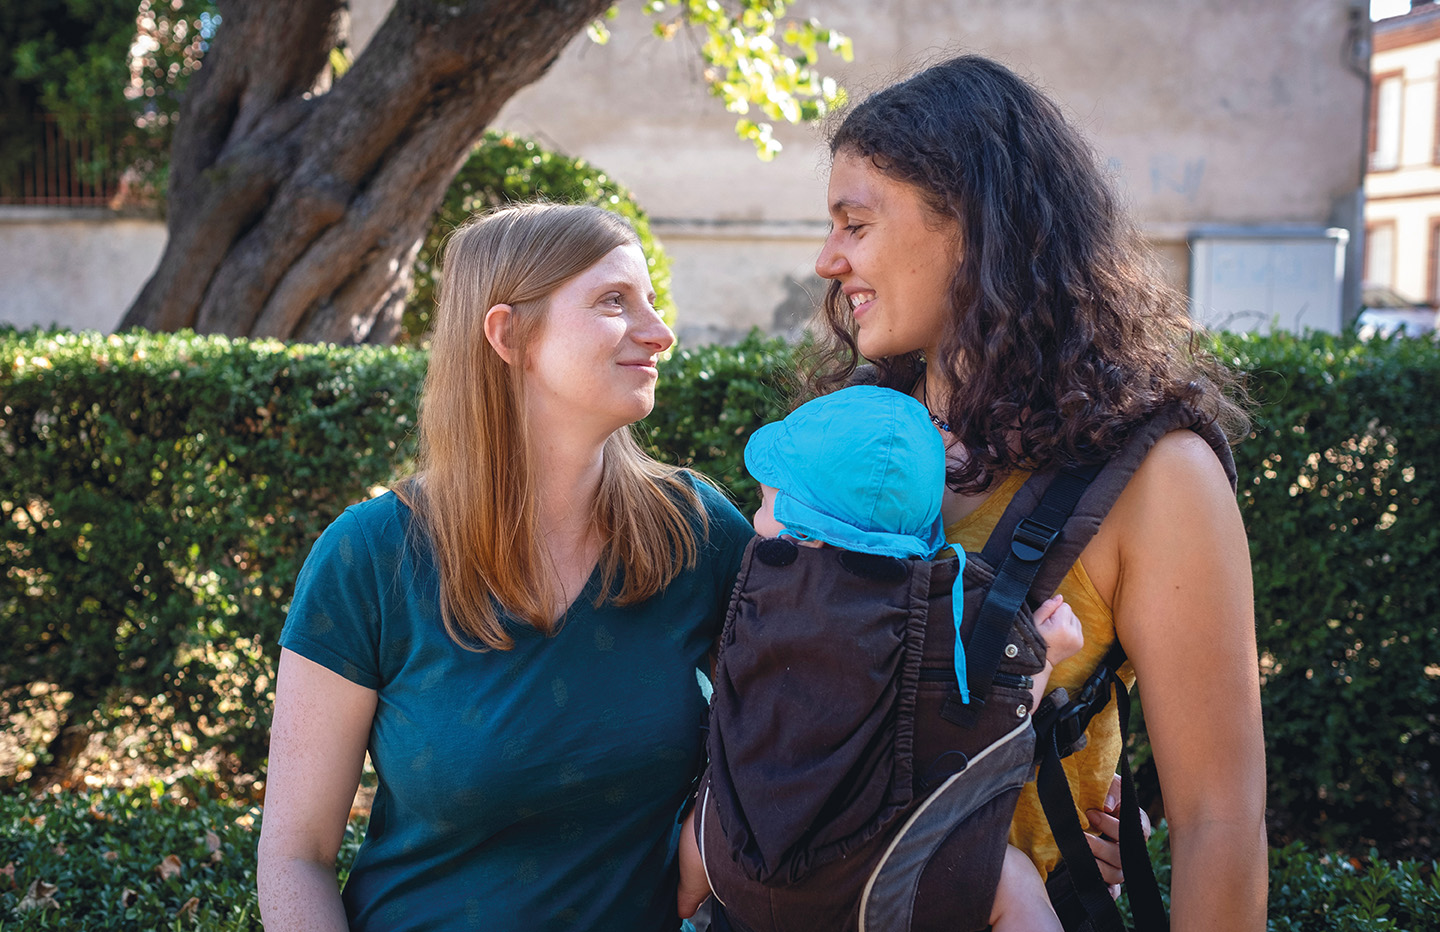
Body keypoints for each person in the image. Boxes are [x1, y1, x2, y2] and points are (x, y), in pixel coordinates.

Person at [807, 55, 1268, 930]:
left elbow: (1221, 821)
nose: (829, 260)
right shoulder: (853, 439)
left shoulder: (1157, 478)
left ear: (973, 228)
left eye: (855, 225)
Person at [256, 203, 755, 932]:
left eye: (650, 301)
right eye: (614, 301)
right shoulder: (371, 557)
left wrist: (704, 836)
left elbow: (799, 713)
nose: (660, 332)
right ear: (508, 334)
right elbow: (295, 854)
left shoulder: (695, 534)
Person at [736, 384, 1085, 932]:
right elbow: (977, 733)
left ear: (809, 534)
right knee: (1014, 881)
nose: (754, 521)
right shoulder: (940, 616)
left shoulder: (765, 594)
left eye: (763, 502)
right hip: (890, 874)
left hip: (754, 859)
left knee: (697, 832)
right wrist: (1043, 657)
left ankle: (683, 901)